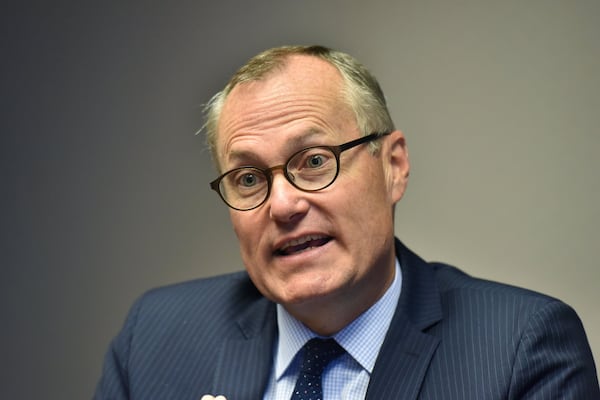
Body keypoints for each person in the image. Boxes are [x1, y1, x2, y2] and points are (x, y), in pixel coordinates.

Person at [94, 45, 599, 400]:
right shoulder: (156, 338)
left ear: (393, 167)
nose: (283, 205)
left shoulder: (519, 349)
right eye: (248, 178)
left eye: (314, 161)